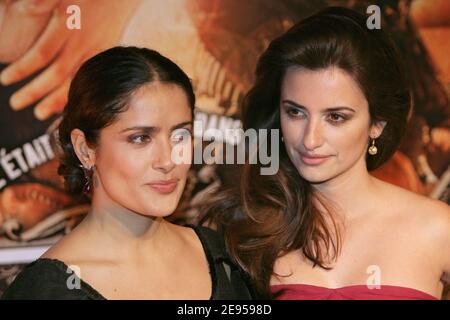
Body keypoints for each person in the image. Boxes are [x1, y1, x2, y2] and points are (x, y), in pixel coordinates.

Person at [201, 7, 450, 300]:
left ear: (376, 126)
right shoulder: (249, 230)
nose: (310, 138)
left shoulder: (436, 228)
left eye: (336, 117)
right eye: (295, 112)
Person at [1, 46, 253, 300]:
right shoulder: (44, 292)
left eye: (180, 135)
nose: (168, 160)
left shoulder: (222, 256)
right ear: (85, 149)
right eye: (141, 138)